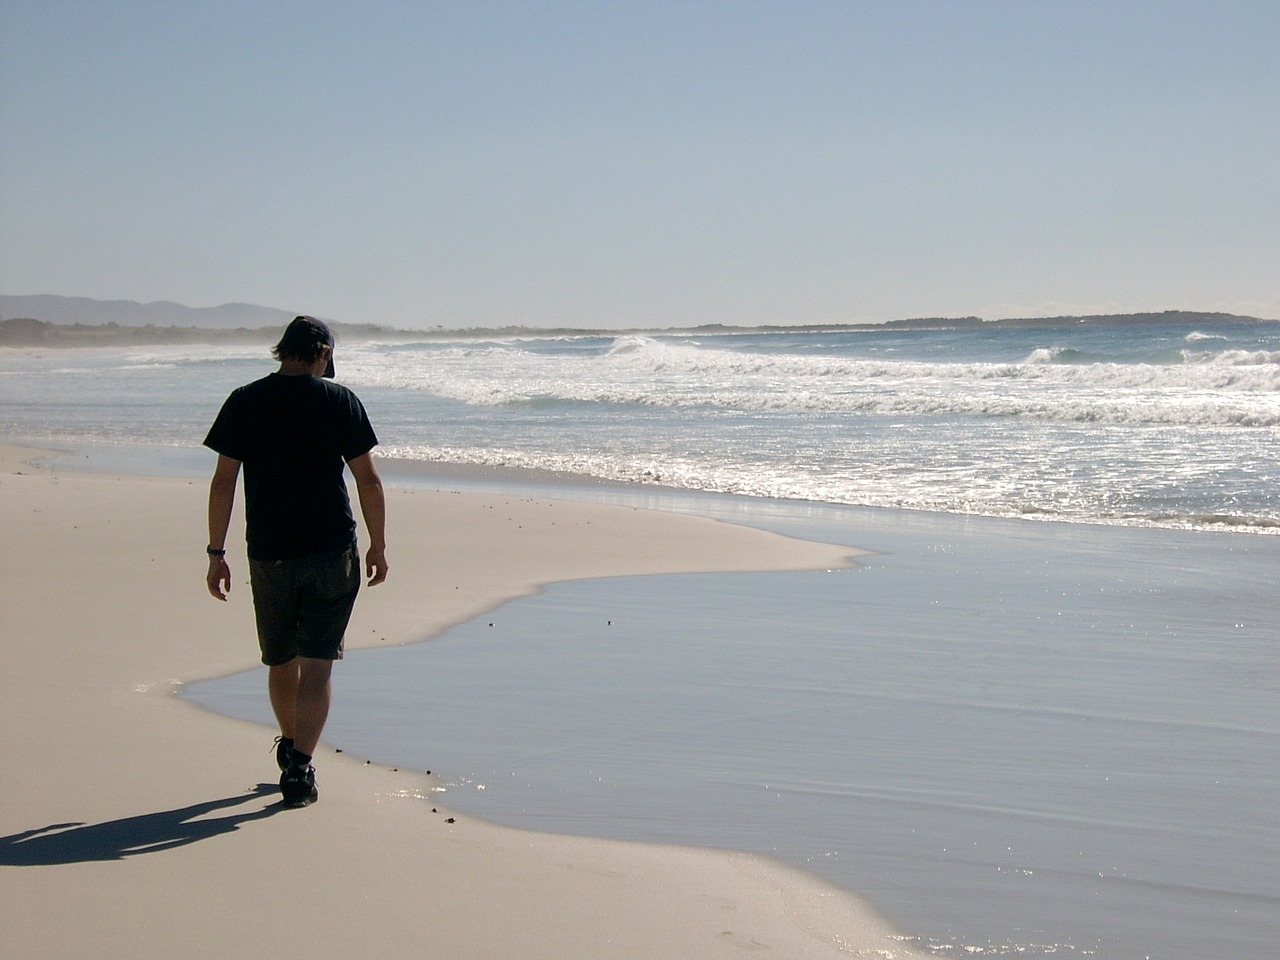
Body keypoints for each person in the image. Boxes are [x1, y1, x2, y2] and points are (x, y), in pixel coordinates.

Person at [203, 316, 388, 808]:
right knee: (317, 665)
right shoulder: (339, 401)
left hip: (269, 552)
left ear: (282, 350)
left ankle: (291, 747)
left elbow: (224, 482)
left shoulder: (245, 400)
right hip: (330, 549)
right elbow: (368, 480)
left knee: (280, 657)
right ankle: (301, 768)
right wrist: (379, 544)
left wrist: (215, 553)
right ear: (323, 351)